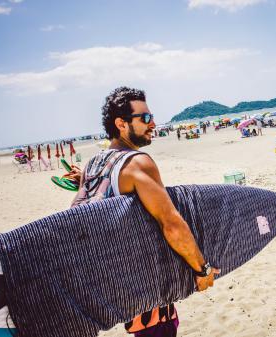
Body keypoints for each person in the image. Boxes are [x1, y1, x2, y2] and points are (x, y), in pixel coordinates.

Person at [70, 87, 219, 337]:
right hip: (143, 283)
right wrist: (201, 269)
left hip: (109, 283)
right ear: (121, 123)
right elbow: (171, 223)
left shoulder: (93, 163)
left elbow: (87, 211)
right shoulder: (138, 162)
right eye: (145, 118)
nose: (153, 123)